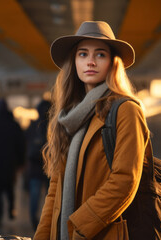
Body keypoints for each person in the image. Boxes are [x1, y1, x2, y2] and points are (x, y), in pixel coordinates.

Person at [34, 21, 150, 240]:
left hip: (100, 233)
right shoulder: (69, 117)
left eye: (100, 55)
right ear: (74, 61)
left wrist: (78, 226)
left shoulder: (125, 110)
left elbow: (125, 180)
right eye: (82, 54)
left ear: (112, 63)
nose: (90, 62)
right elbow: (55, 189)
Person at [0, 99, 25, 227]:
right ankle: (11, 210)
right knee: (9, 189)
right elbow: (21, 146)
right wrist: (21, 163)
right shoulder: (14, 125)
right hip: (10, 165)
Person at [25, 99, 51, 230]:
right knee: (50, 195)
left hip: (34, 166)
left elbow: (26, 146)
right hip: (50, 166)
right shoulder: (54, 125)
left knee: (34, 195)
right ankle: (48, 220)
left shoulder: (33, 125)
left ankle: (34, 220)